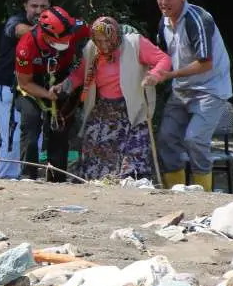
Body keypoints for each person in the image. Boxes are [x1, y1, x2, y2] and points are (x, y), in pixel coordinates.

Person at [65, 16, 171, 182]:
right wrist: (65, 86)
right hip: (103, 110)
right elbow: (81, 73)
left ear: (116, 36)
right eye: (98, 41)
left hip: (132, 111)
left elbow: (163, 59)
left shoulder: (134, 44)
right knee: (93, 155)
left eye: (107, 40)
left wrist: (154, 75)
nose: (104, 46)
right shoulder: (92, 49)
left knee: (133, 159)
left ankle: (129, 189)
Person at [153, 0, 233, 191]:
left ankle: (202, 195)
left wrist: (169, 75)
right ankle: (176, 193)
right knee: (166, 138)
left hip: (210, 89)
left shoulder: (197, 19)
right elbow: (162, 58)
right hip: (182, 90)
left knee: (195, 139)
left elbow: (205, 64)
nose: (163, 2)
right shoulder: (164, 22)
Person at [13, 6, 91, 182]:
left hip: (62, 79)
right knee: (31, 126)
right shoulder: (26, 46)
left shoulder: (75, 27)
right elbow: (24, 82)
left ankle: (56, 179)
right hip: (33, 84)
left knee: (59, 131)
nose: (67, 40)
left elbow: (99, 30)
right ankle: (28, 176)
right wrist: (47, 95)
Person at [0, 0, 50, 178]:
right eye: (34, 6)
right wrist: (47, 29)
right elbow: (17, 30)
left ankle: (26, 176)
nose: (39, 11)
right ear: (25, 6)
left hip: (34, 87)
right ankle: (6, 178)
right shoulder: (16, 21)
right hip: (7, 85)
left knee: (34, 136)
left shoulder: (53, 27)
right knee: (12, 136)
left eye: (43, 6)